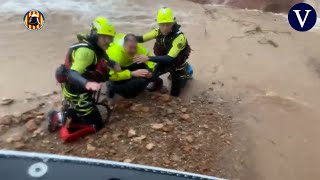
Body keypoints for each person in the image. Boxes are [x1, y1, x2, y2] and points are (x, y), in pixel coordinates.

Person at [49, 17, 119, 142]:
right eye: (104, 38)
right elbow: (72, 73)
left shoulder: (96, 48)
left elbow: (103, 59)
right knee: (97, 125)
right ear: (95, 34)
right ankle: (60, 117)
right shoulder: (86, 52)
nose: (108, 42)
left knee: (84, 111)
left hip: (77, 89)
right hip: (76, 91)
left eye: (110, 38)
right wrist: (87, 84)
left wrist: (112, 63)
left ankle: (70, 110)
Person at [134, 7, 193, 97]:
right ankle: (158, 84)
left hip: (176, 66)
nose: (165, 28)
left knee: (174, 94)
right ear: (158, 24)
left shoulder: (179, 38)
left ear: (172, 23)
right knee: (151, 76)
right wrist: (125, 38)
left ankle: (185, 75)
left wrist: (148, 58)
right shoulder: (157, 32)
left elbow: (169, 59)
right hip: (163, 62)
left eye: (168, 24)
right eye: (162, 24)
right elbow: (141, 39)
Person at [107, 33, 155, 99]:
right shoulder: (115, 54)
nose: (133, 50)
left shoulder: (138, 47)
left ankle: (130, 87)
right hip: (117, 68)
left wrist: (150, 71)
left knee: (148, 76)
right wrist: (132, 74)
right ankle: (114, 89)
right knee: (138, 84)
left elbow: (149, 59)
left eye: (134, 47)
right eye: (130, 48)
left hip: (128, 64)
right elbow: (110, 75)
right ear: (124, 45)